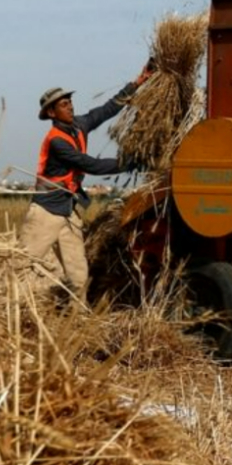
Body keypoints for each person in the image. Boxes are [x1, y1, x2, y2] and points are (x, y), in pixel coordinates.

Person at [22, 61, 151, 300]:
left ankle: (77, 324)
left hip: (68, 210)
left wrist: (138, 82)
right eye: (63, 104)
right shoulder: (57, 142)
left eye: (69, 101)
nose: (70, 106)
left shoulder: (79, 125)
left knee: (79, 277)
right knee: (20, 266)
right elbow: (91, 165)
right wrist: (131, 161)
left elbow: (107, 109)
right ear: (52, 113)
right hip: (46, 211)